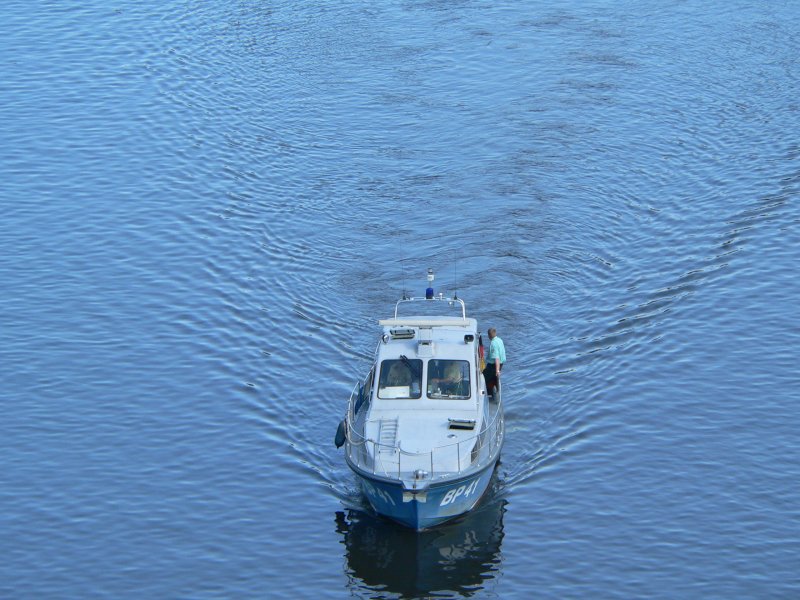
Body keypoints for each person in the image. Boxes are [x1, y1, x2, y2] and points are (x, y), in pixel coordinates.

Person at [482, 327, 506, 397]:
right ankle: (494, 393)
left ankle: (488, 394)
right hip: (501, 364)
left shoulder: (493, 343)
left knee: (483, 378)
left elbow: (496, 358)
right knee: (494, 379)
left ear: (489, 335)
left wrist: (497, 371)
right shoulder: (500, 340)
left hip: (494, 366)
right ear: (495, 333)